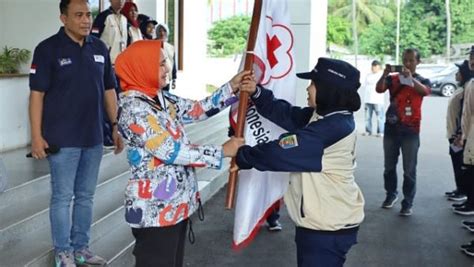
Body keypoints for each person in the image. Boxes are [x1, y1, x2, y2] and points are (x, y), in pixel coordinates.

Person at [115, 40, 246, 267]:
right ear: (141, 68)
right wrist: (221, 151)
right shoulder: (134, 109)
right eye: (160, 64)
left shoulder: (158, 98)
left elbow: (197, 110)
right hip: (154, 211)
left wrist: (231, 87)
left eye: (165, 62)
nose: (167, 68)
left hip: (175, 205)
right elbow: (171, 151)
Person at [229, 57, 365, 267]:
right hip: (325, 222)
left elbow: (279, 153)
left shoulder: (330, 129)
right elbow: (287, 115)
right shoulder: (326, 117)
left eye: (313, 84)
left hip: (327, 229)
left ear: (328, 90)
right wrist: (258, 93)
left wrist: (242, 155)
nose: (308, 88)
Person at [28, 0, 124, 266]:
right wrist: (37, 136)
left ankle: (81, 248)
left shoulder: (100, 48)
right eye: (78, 15)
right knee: (62, 197)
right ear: (63, 18)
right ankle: (63, 251)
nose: (85, 20)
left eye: (88, 14)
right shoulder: (48, 49)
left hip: (93, 136)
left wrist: (116, 126)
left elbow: (109, 90)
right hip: (61, 139)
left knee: (86, 196)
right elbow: (37, 95)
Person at [376, 48, 431, 216]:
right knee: (389, 167)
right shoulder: (393, 79)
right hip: (391, 128)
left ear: (418, 62)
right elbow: (379, 89)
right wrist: (385, 73)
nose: (407, 64)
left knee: (409, 169)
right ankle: (390, 194)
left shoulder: (422, 80)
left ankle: (408, 202)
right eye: (405, 60)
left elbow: (425, 92)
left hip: (411, 131)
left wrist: (410, 78)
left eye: (411, 61)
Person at [445, 60, 472, 203]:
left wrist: (459, 133)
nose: (456, 74)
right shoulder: (462, 87)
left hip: (459, 135)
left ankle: (464, 192)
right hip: (453, 133)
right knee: (457, 163)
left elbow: (464, 114)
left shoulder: (468, 88)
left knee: (462, 165)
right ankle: (460, 188)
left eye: (459, 72)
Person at [91, 0, 127, 64]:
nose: (120, 1)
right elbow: (93, 38)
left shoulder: (124, 19)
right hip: (107, 61)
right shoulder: (103, 16)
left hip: (121, 61)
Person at [362, 60, 385, 137]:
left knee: (380, 117)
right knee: (367, 117)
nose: (373, 68)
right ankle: (368, 131)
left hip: (378, 99)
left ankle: (380, 131)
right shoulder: (368, 75)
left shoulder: (382, 75)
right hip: (368, 99)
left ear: (379, 67)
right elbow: (365, 85)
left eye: (375, 66)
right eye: (372, 66)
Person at [156, 23, 177, 91]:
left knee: (165, 98)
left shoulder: (171, 48)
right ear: (157, 32)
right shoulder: (151, 44)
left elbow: (173, 64)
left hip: (167, 78)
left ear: (167, 33)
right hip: (155, 78)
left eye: (164, 31)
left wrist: (174, 79)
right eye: (160, 31)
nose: (162, 33)